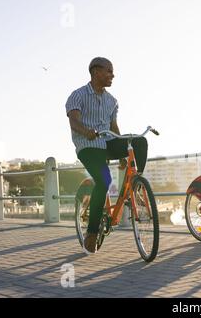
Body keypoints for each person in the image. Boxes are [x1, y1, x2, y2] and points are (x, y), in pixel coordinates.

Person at [65, 57, 148, 254]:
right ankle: (92, 233)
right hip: (88, 146)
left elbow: (114, 128)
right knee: (104, 181)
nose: (113, 75)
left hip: (108, 142)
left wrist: (123, 152)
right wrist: (86, 132)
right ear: (96, 72)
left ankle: (137, 182)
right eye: (109, 71)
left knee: (139, 141)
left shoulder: (112, 101)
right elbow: (74, 122)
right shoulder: (77, 95)